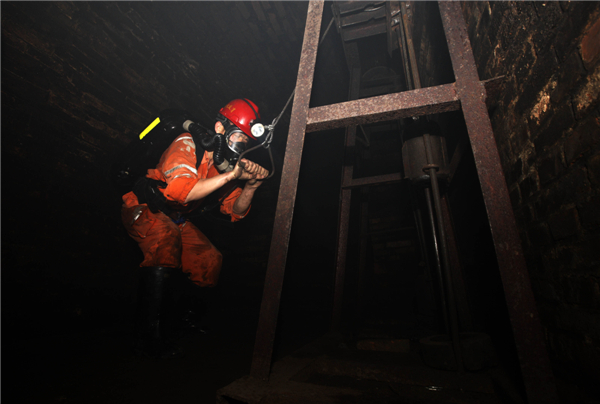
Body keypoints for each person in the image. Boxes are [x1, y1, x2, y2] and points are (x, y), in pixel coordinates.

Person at [120, 99, 269, 358]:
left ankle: (183, 323)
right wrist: (233, 176)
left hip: (175, 218)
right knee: (165, 241)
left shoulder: (225, 167)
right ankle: (147, 337)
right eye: (238, 137)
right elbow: (181, 192)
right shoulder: (188, 143)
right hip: (144, 207)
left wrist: (251, 186)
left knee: (210, 260)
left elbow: (235, 212)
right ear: (220, 129)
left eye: (246, 142)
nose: (241, 146)